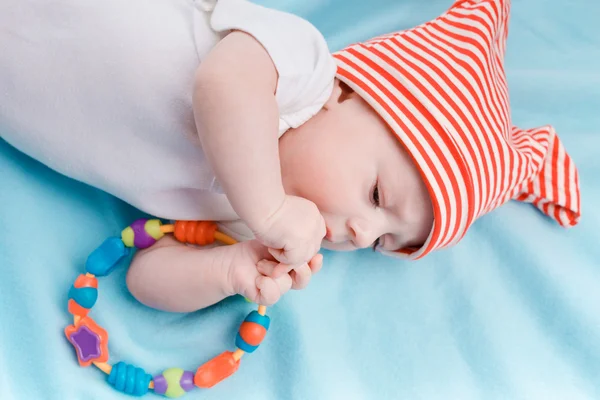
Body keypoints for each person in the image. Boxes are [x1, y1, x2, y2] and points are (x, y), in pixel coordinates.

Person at [0, 0, 581, 312]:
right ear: (350, 95)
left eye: (382, 240)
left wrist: (229, 271)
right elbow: (220, 87)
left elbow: (145, 278)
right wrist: (271, 210)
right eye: (378, 197)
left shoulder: (243, 219)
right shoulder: (299, 72)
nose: (358, 231)